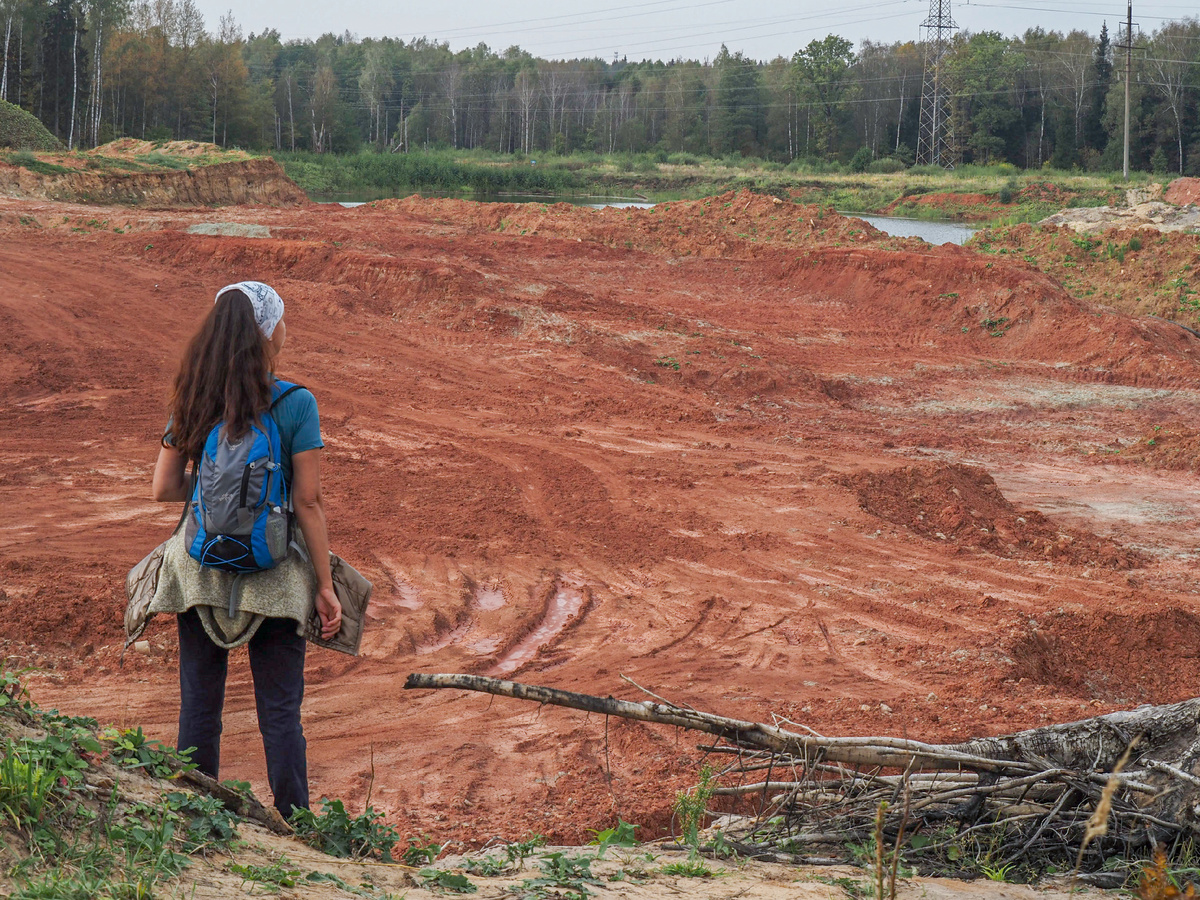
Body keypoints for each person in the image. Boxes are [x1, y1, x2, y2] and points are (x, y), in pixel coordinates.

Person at [150, 281, 341, 818]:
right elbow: (308, 502)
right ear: (268, 332)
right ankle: (296, 823)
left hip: (199, 569)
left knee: (199, 702)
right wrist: (325, 586)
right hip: (273, 576)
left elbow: (164, 488)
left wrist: (217, 495)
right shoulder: (296, 403)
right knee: (280, 711)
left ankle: (195, 815)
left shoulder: (193, 393)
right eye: (282, 319)